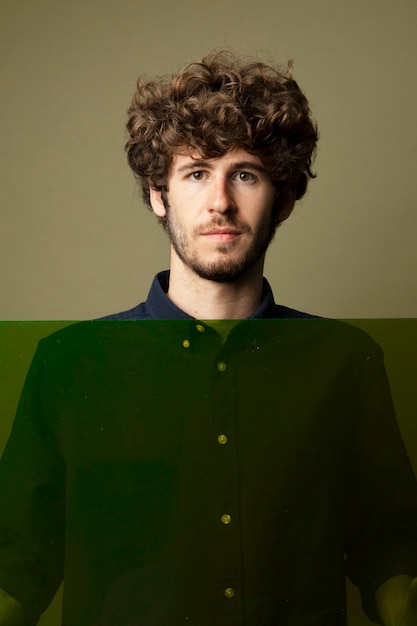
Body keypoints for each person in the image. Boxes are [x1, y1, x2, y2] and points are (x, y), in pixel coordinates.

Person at [1, 51, 417, 626]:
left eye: (245, 174)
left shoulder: (346, 361)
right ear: (158, 195)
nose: (220, 202)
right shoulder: (68, 362)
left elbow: (389, 547)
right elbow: (19, 559)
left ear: (285, 199)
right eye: (196, 173)